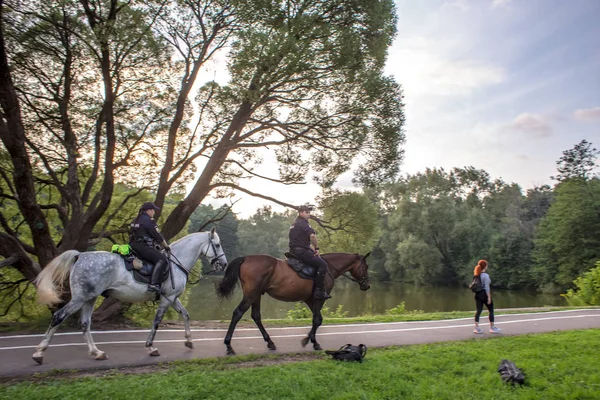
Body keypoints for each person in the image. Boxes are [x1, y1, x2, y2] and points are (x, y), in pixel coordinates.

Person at [288, 205, 331, 300]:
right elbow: (312, 236)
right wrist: (317, 248)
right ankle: (319, 291)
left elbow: (302, 242)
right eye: (306, 212)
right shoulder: (303, 223)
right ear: (300, 212)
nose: (309, 214)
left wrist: (313, 249)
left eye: (309, 212)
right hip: (301, 252)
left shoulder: (294, 224)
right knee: (323, 264)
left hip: (295, 250)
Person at [129, 201, 170, 294]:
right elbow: (157, 236)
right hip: (143, 247)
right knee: (161, 260)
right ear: (148, 210)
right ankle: (154, 284)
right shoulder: (149, 221)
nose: (154, 212)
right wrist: (166, 247)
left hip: (133, 246)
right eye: (153, 210)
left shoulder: (135, 220)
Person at [473, 259, 501, 334]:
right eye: (487, 265)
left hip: (477, 294)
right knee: (491, 310)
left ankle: (476, 328)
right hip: (484, 294)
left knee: (479, 310)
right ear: (485, 266)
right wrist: (489, 297)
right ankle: (492, 327)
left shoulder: (476, 275)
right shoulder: (486, 276)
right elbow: (487, 287)